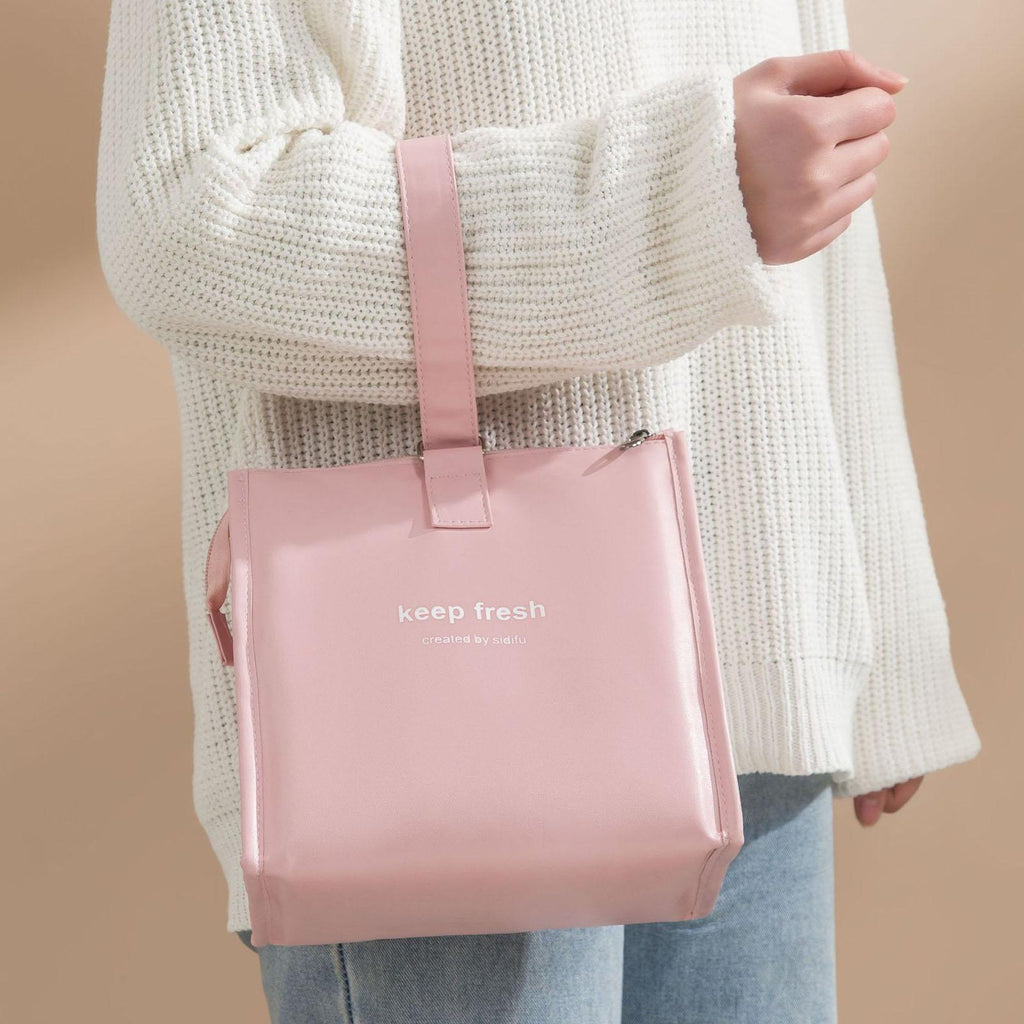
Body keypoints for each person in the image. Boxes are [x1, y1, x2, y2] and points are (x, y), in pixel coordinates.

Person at [96, 1, 982, 1020]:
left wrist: (886, 635)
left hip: (761, 676)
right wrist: (680, 199)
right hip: (448, 704)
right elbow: (190, 215)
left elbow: (816, 212)